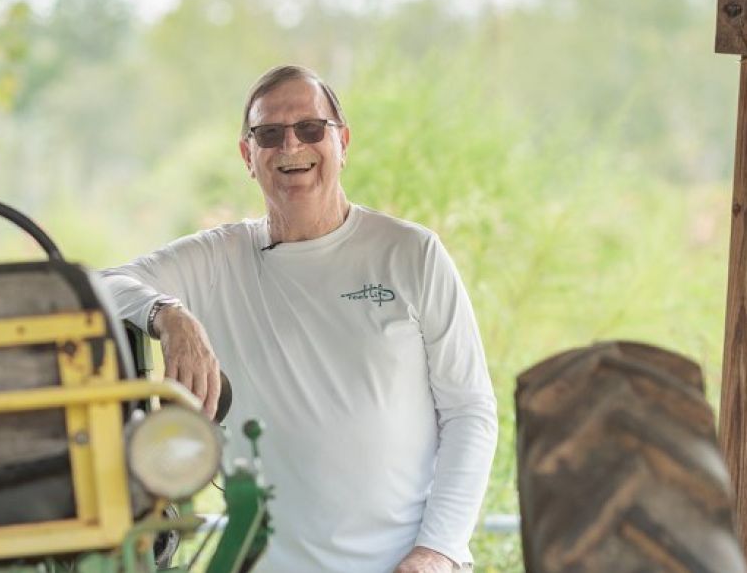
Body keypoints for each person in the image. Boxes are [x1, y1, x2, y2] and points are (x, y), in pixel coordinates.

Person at [100, 65, 498, 573]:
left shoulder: (410, 252)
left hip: (406, 565)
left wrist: (438, 550)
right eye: (269, 134)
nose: (291, 147)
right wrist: (169, 316)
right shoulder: (220, 258)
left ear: (343, 142)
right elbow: (101, 283)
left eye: (311, 129)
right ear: (248, 155)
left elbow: (470, 412)